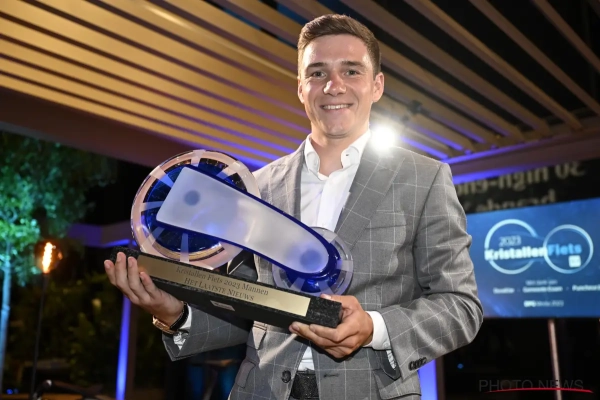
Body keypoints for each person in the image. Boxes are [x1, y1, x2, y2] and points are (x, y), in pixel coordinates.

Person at [104, 14, 483, 400]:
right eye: (317, 73)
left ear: (377, 85)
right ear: (301, 88)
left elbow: (460, 306)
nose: (333, 85)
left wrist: (374, 327)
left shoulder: (424, 178)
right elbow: (247, 306)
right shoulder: (258, 186)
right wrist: (175, 313)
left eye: (351, 71)